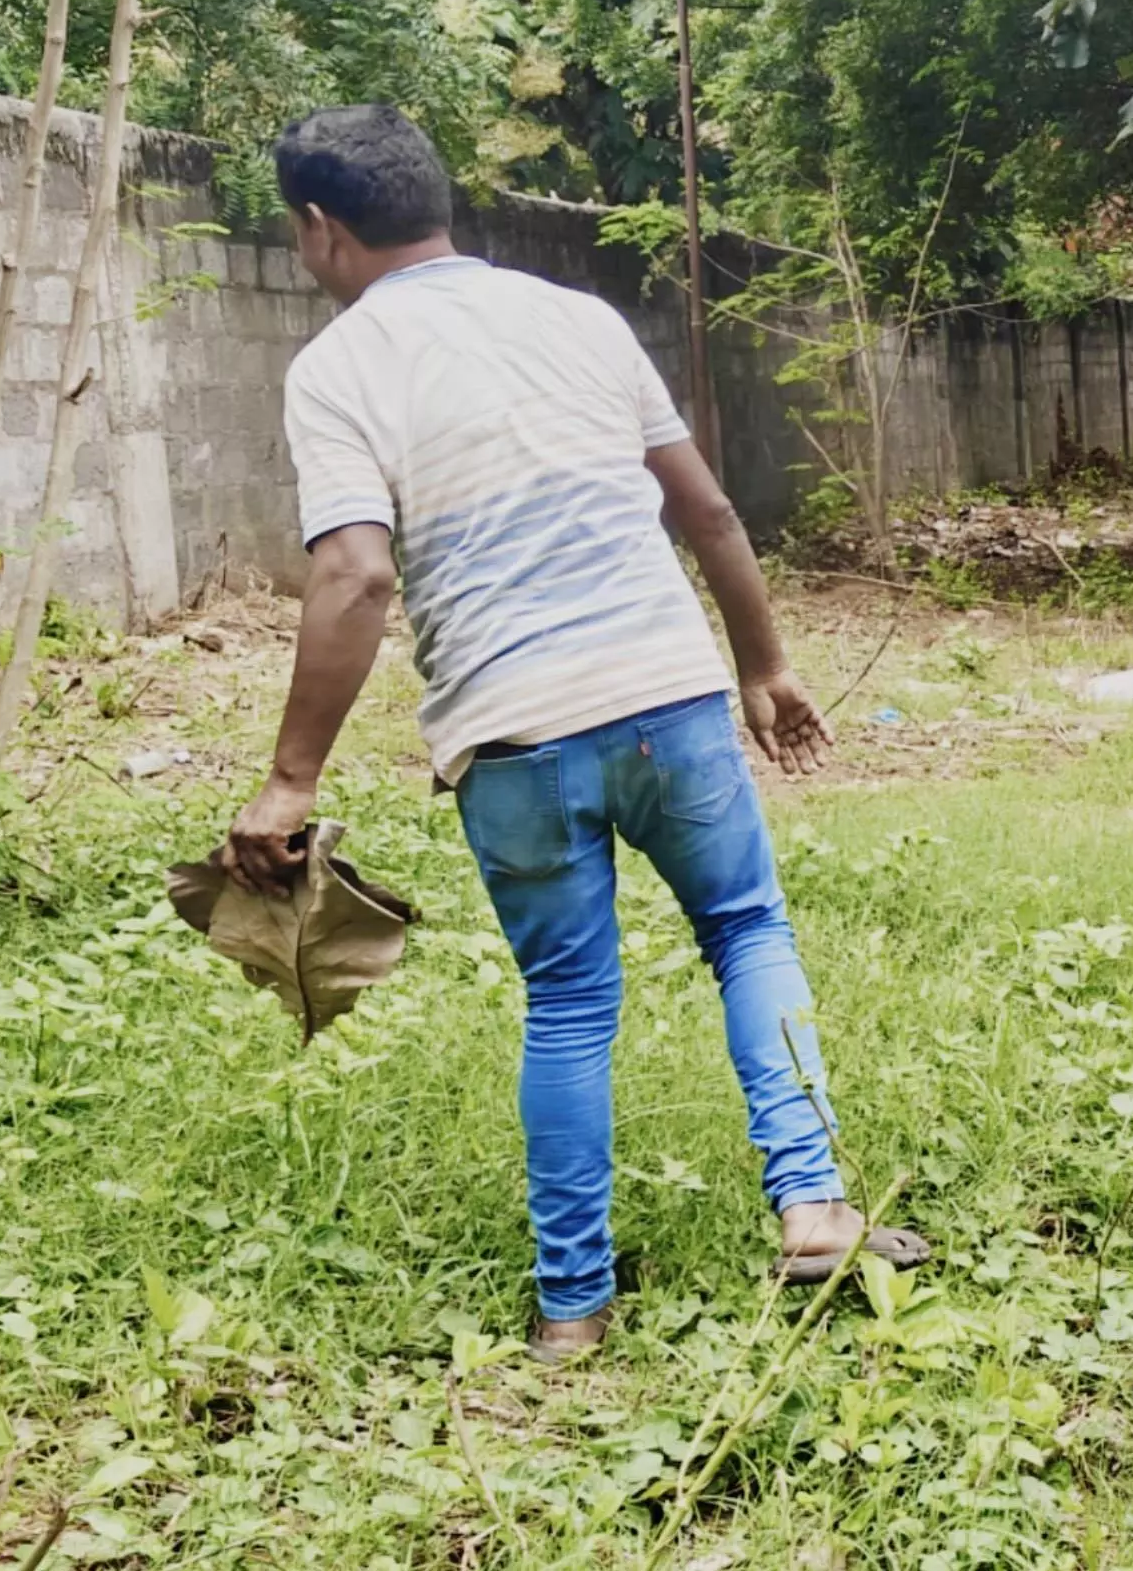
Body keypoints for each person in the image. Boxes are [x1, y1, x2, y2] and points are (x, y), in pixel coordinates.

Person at [223, 105, 922, 1362]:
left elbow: (355, 578)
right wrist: (765, 666)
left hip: (515, 731)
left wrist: (288, 782)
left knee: (568, 1001)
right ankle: (813, 1202)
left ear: (322, 228)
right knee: (747, 929)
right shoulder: (580, 319)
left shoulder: (337, 368)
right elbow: (704, 508)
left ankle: (573, 1312)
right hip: (668, 694)